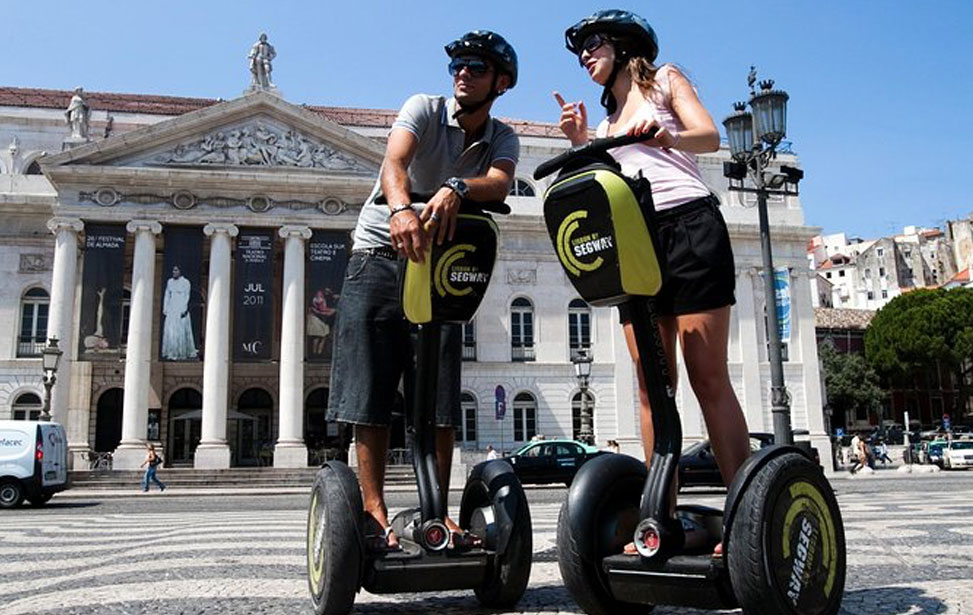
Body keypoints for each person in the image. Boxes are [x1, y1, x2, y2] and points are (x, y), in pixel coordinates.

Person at [555, 9, 750, 556]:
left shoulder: (664, 80)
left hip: (689, 226)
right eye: (580, 53)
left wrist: (668, 134)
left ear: (621, 44)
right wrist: (581, 141)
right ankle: (658, 516)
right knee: (648, 383)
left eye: (592, 45)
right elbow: (607, 179)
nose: (585, 57)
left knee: (705, 375)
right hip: (638, 244)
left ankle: (742, 514)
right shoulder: (611, 122)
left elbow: (708, 135)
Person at [326, 30, 519, 553]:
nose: (463, 72)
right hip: (380, 254)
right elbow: (395, 164)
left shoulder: (501, 136)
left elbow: (500, 183)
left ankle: (439, 512)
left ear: (501, 82)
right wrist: (400, 210)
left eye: (477, 67)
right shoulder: (424, 108)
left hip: (440, 268)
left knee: (437, 395)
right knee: (371, 386)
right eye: (458, 63)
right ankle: (373, 513)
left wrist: (457, 186)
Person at [161, 265, 197, 360]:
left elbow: (186, 296)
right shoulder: (170, 282)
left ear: (180, 271)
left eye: (176, 270)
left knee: (180, 331)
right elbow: (167, 295)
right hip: (172, 307)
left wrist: (183, 309)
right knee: (171, 331)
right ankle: (171, 352)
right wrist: (166, 308)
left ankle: (180, 353)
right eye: (173, 270)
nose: (174, 272)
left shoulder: (185, 282)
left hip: (180, 306)